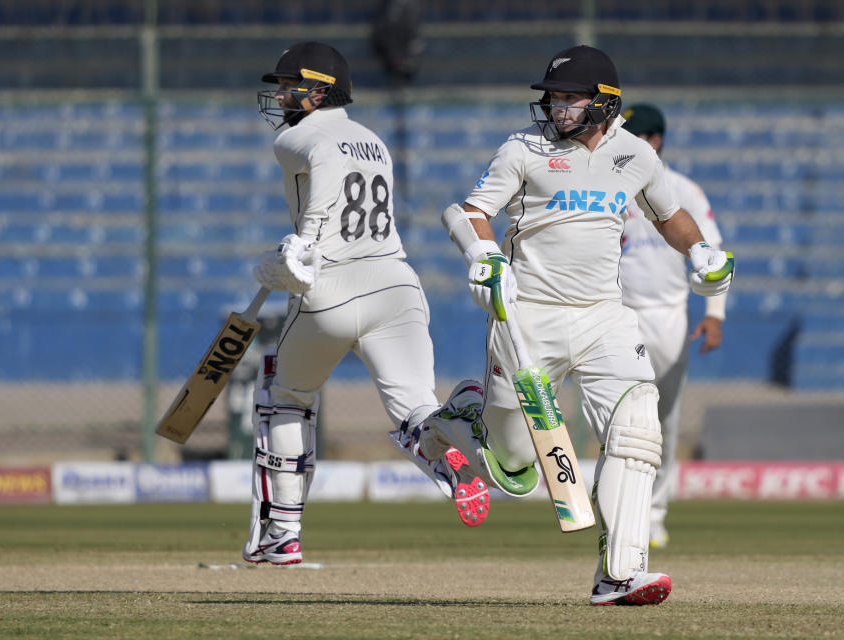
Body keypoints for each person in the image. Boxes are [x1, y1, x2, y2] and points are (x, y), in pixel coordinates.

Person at [417, 45, 733, 605]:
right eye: (554, 99)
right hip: (528, 318)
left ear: (606, 102)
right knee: (515, 471)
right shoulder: (524, 147)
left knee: (638, 428)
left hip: (604, 318)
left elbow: (670, 214)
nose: (559, 109)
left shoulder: (635, 154)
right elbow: (465, 212)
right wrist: (484, 258)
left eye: (571, 99)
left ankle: (620, 573)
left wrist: (701, 252)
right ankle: (462, 417)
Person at [243, 41, 488, 566]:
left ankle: (279, 534)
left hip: (330, 286)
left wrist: (304, 242)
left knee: (285, 397)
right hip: (397, 286)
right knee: (414, 410)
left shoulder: (293, 138)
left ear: (320, 90)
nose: (282, 95)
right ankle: (452, 450)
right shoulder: (375, 141)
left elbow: (326, 170)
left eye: (291, 86)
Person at [619, 104, 728, 550]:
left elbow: (713, 255)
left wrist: (714, 315)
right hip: (619, 314)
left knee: (663, 419)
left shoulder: (684, 190)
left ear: (655, 141)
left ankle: (655, 517)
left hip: (668, 315)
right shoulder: (613, 185)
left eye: (633, 136)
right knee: (620, 416)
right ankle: (621, 512)